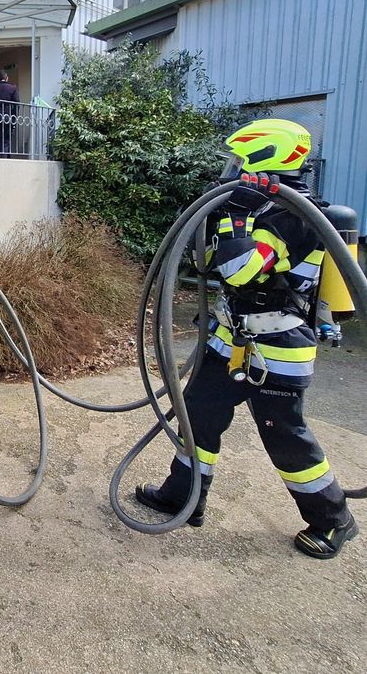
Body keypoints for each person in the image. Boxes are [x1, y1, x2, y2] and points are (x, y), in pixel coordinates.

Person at [136, 118, 358, 559]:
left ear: (264, 157)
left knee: (284, 435)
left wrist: (235, 218)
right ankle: (184, 497)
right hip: (230, 340)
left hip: (277, 348)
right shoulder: (255, 207)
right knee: (198, 416)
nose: (231, 169)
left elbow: (241, 271)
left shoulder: (297, 216)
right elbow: (207, 262)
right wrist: (218, 216)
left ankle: (334, 520)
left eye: (239, 160)